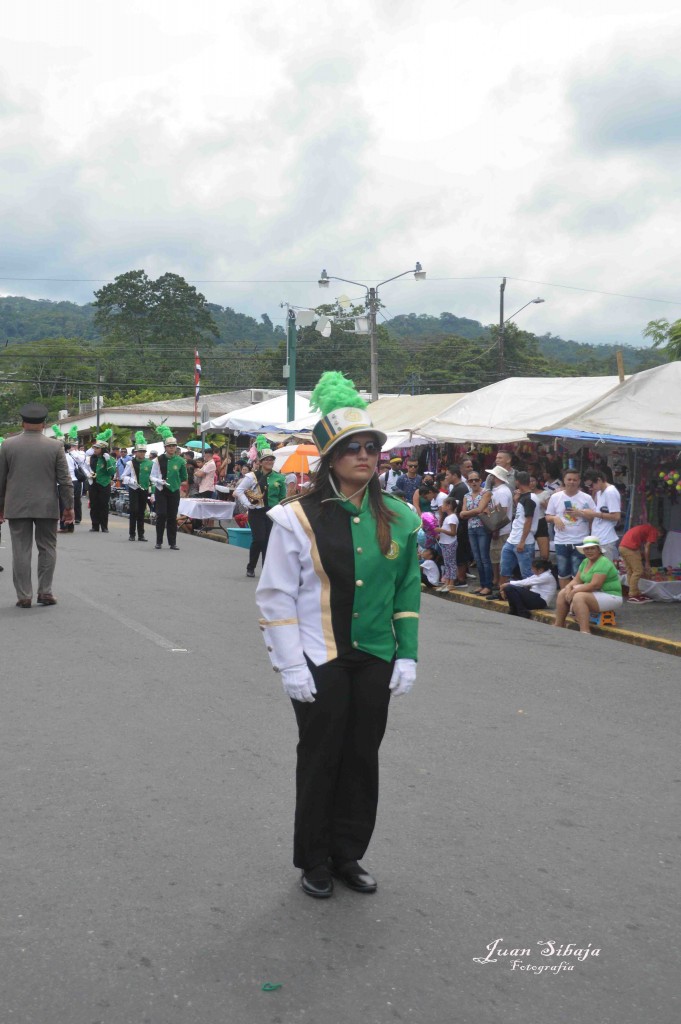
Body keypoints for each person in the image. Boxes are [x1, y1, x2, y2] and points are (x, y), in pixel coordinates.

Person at [256, 371, 421, 899]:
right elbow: (276, 596)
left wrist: (407, 657)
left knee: (361, 758)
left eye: (372, 447)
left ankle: (349, 853)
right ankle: (315, 859)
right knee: (322, 755)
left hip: (375, 658)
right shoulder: (296, 519)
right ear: (330, 457)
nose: (365, 456)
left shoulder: (400, 518)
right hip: (318, 657)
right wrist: (289, 665)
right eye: (353, 448)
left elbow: (406, 594)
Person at [0, 402, 74, 608]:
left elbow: (1, 479)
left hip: (16, 506)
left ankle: (24, 595)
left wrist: (0, 507)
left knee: (21, 550)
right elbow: (65, 480)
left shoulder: (7, 445)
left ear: (22, 422)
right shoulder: (55, 446)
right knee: (47, 548)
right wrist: (69, 507)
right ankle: (45, 592)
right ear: (44, 424)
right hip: (47, 505)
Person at [234, 447, 287, 578]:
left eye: (271, 460)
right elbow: (239, 490)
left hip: (272, 512)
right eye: (267, 459)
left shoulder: (279, 477)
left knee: (269, 541)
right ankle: (251, 567)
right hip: (256, 512)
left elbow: (282, 498)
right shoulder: (252, 476)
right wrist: (248, 505)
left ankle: (266, 569)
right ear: (261, 462)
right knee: (259, 539)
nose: (269, 462)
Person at [553, 536, 623, 634]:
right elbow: (577, 580)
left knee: (579, 597)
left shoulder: (603, 561)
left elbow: (595, 585)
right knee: (562, 593)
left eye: (592, 548)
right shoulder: (585, 561)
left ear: (599, 550)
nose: (589, 551)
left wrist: (574, 591)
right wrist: (568, 587)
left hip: (611, 595)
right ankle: (559, 624)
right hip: (596, 594)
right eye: (586, 549)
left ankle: (584, 630)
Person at [545, 470, 596, 588]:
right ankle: (565, 598)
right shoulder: (555, 497)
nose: (572, 482)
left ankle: (575, 600)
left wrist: (580, 513)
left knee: (578, 572)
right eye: (569, 479)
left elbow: (593, 517)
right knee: (562, 572)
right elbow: (547, 516)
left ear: (579, 482)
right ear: (564, 480)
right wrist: (555, 518)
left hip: (580, 541)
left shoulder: (586, 498)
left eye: (575, 480)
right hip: (561, 541)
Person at [499, 471, 540, 585]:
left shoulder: (530, 498)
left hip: (524, 542)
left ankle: (529, 596)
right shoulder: (523, 497)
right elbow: (520, 516)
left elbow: (528, 521)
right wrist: (516, 501)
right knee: (504, 569)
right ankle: (503, 592)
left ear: (517, 481)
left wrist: (522, 541)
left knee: (526, 573)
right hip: (512, 539)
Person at [150, 428, 188, 550]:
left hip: (174, 491)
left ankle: (172, 543)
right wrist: (159, 481)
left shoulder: (181, 461)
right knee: (161, 515)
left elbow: (184, 477)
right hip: (161, 490)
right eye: (169, 446)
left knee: (172, 517)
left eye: (173, 446)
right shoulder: (158, 460)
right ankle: (159, 541)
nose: (171, 448)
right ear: (165, 447)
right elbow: (152, 476)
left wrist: (177, 485)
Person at [459, 470, 493, 595]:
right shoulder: (466, 496)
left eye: (476, 480)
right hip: (471, 528)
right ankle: (482, 584)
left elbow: (472, 511)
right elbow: (463, 514)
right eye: (471, 480)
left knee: (484, 557)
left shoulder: (486, 493)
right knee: (477, 559)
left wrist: (468, 512)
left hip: (483, 527)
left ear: (480, 481)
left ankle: (488, 585)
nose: (473, 482)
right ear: (468, 482)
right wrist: (474, 512)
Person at [484, 465, 514, 599]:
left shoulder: (502, 492)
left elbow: (502, 512)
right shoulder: (498, 490)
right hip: (498, 528)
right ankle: (497, 581)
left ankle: (498, 581)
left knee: (498, 557)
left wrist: (496, 528)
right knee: (495, 556)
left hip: (502, 529)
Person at [580, 469, 622, 562]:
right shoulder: (599, 492)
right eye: (588, 486)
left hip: (606, 538)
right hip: (598, 537)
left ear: (598, 480)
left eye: (591, 485)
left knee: (605, 570)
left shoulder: (610, 492)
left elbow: (616, 516)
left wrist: (594, 514)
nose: (591, 488)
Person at [619, 522, 663, 604]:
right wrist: (647, 562)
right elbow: (647, 547)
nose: (656, 538)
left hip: (622, 546)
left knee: (630, 571)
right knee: (638, 571)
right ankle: (633, 595)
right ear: (660, 532)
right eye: (659, 536)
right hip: (630, 548)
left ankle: (634, 592)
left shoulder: (646, 528)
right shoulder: (654, 531)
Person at [121, 433, 152, 541]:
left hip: (144, 489)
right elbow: (123, 476)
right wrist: (131, 480)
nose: (142, 453)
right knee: (134, 510)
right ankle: (132, 534)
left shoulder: (149, 463)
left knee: (141, 511)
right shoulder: (130, 463)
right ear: (135, 452)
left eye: (143, 452)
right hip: (134, 489)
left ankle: (141, 534)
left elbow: (152, 477)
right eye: (140, 451)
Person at [87, 429, 116, 533]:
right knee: (94, 505)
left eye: (97, 448)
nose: (95, 449)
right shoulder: (92, 458)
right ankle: (95, 525)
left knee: (103, 505)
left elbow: (111, 472)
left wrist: (108, 460)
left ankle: (104, 526)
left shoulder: (110, 459)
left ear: (102, 449)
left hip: (104, 484)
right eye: (95, 447)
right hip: (93, 483)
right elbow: (89, 469)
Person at [434, 495, 458, 591]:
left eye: (444, 504)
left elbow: (453, 533)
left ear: (449, 506)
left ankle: (451, 583)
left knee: (451, 563)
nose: (442, 506)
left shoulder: (452, 518)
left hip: (450, 543)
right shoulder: (448, 517)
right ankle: (447, 582)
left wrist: (441, 530)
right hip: (445, 542)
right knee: (447, 563)